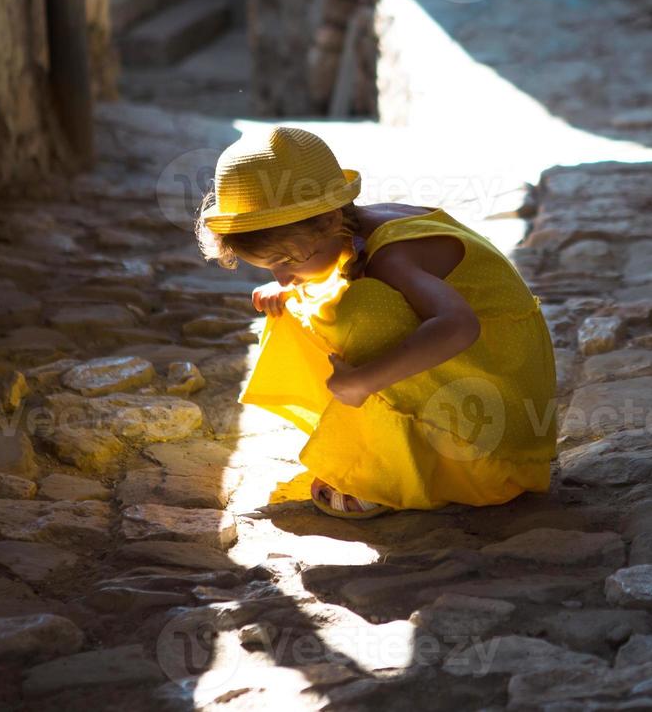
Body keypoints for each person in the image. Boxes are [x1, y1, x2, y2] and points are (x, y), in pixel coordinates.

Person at [196, 127, 557, 519]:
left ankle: (389, 476)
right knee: (297, 306)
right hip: (488, 409)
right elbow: (333, 271)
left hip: (496, 454)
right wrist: (294, 285)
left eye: (287, 262)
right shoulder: (356, 230)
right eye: (271, 267)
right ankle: (378, 445)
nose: (281, 276)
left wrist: (364, 381)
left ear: (329, 221)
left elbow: (458, 325)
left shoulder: (393, 254)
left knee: (362, 312)